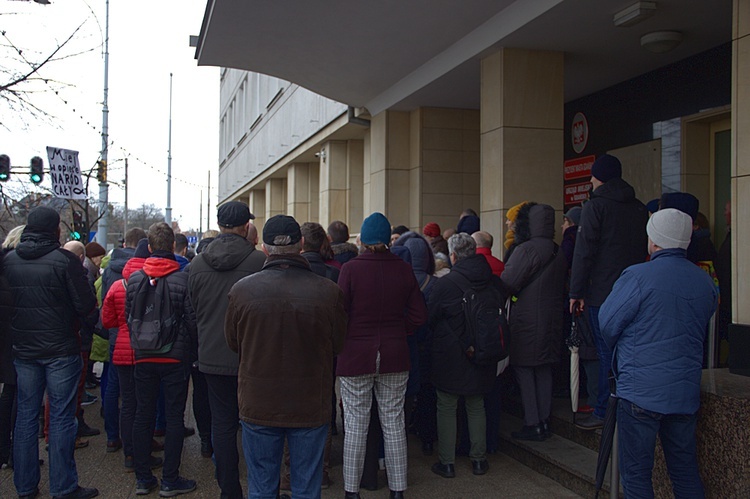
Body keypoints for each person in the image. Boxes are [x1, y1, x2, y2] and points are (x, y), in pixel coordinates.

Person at [225, 215, 347, 499]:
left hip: (258, 400)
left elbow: (234, 342)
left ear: (264, 248)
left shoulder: (242, 291)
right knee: (306, 486)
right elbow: (338, 344)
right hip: (309, 402)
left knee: (261, 486)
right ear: (301, 244)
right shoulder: (329, 292)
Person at [600, 208, 717, 498]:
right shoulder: (704, 282)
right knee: (685, 472)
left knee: (637, 476)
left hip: (640, 391)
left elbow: (608, 323)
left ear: (653, 241)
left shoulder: (638, 276)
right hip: (684, 392)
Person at [3, 206, 99, 499]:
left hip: (24, 349)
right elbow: (85, 307)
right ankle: (63, 486)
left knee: (26, 418)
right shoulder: (64, 261)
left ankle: (25, 485)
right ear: (55, 230)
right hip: (60, 349)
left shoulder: (10, 261)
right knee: (60, 418)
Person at [337, 212, 427, 499]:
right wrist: (399, 331)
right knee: (393, 422)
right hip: (394, 352)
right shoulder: (403, 269)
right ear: (388, 239)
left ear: (362, 239)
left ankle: (352, 491)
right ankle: (397, 490)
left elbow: (339, 314)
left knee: (355, 425)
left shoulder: (350, 269)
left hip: (356, 355)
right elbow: (418, 315)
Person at [187, 201, 265, 499]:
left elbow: (194, 310)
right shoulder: (259, 262)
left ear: (220, 225)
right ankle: (260, 487)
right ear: (246, 226)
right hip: (252, 357)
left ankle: (228, 490)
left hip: (212, 355)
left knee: (222, 425)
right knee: (255, 424)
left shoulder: (197, 265)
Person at [569, 154, 649, 430]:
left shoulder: (596, 207)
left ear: (600, 176)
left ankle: (604, 411)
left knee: (606, 355)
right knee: (629, 353)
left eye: (592, 175)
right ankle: (628, 408)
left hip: (602, 294)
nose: (590, 180)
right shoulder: (638, 208)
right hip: (635, 292)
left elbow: (584, 252)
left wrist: (575, 291)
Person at [125, 222, 198, 497]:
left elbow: (128, 315)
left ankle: (143, 478)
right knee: (174, 418)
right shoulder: (182, 278)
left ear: (151, 247)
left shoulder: (134, 279)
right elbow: (191, 321)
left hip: (143, 356)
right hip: (174, 356)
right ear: (171, 246)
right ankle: (170, 478)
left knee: (143, 414)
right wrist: (192, 349)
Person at [427, 232, 496, 478]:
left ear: (453, 256)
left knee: (446, 405)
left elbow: (430, 316)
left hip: (450, 354)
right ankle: (479, 459)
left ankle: (447, 462)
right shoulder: (490, 279)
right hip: (482, 351)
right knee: (476, 405)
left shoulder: (446, 284)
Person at [499, 203, 568, 440]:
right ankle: (545, 420)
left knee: (525, 368)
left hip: (528, 319)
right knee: (545, 368)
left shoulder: (526, 249)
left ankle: (532, 422)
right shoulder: (558, 250)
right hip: (552, 319)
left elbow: (508, 282)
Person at [101, 238, 164, 472]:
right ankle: (144, 450)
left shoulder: (118, 285)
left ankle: (130, 454)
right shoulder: (154, 281)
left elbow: (106, 321)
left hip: (122, 352)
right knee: (146, 405)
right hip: (147, 350)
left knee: (128, 404)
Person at [98, 226, 147, 454]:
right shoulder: (149, 276)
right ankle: (139, 449)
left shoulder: (111, 273)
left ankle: (114, 438)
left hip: (118, 342)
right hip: (145, 344)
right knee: (141, 400)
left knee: (116, 391)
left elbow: (106, 318)